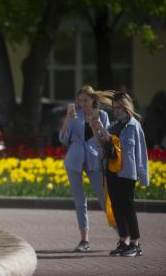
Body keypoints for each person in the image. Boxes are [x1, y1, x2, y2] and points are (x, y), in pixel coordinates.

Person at [90, 91, 148, 257]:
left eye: (118, 107)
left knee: (127, 206)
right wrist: (95, 129)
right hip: (111, 170)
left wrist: (142, 174)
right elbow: (102, 143)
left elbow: (133, 149)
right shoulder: (114, 125)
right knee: (116, 206)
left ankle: (135, 243)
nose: (116, 110)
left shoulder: (134, 126)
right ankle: (123, 240)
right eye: (114, 108)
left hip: (127, 172)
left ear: (126, 106)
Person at [59, 85, 113, 252]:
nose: (82, 103)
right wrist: (68, 119)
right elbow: (63, 139)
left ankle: (123, 234)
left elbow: (106, 140)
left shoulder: (102, 115)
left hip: (94, 159)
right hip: (74, 159)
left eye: (86, 100)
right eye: (80, 100)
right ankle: (84, 240)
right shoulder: (75, 115)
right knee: (79, 200)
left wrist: (96, 126)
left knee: (104, 196)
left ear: (93, 100)